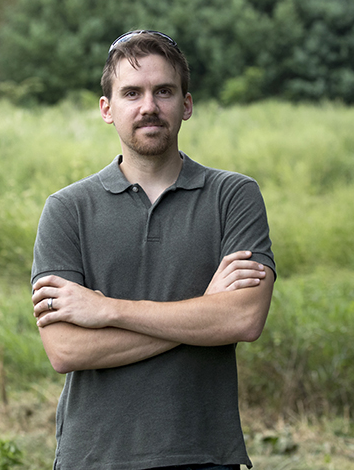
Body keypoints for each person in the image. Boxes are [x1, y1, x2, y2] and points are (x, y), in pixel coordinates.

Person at [31, 30, 276, 470]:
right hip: (95, 455)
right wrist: (203, 311)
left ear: (186, 103)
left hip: (204, 454)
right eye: (131, 92)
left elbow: (243, 318)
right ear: (107, 109)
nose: (149, 106)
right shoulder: (67, 209)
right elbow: (66, 350)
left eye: (163, 91)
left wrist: (108, 311)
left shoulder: (233, 197)